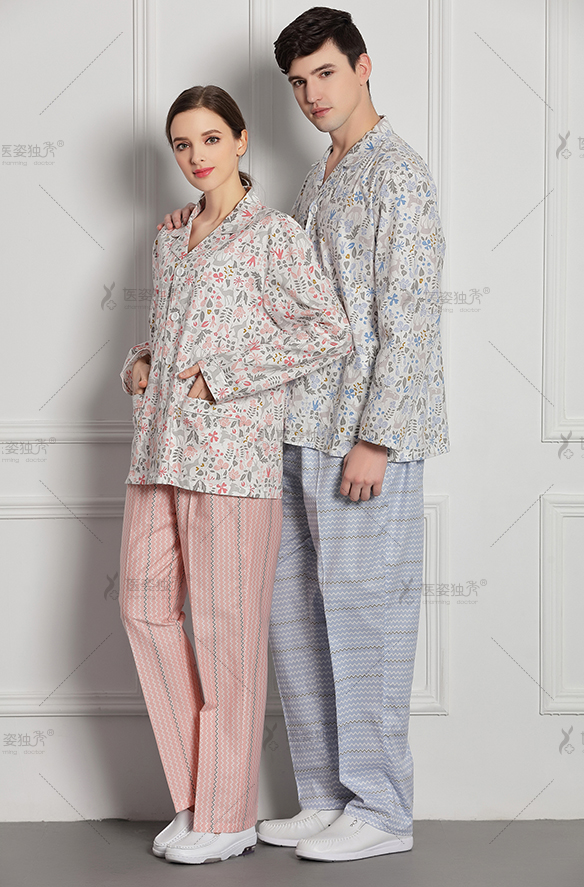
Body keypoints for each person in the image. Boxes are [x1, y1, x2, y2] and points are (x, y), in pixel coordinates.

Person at [161, 6, 449, 864]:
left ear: (363, 66)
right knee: (296, 620)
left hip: (361, 439)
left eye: (324, 73)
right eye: (296, 82)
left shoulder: (398, 175)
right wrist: (193, 233)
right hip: (292, 430)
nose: (311, 94)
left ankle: (382, 808)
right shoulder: (318, 179)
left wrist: (378, 438)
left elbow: (410, 318)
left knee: (365, 623)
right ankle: (325, 795)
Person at [119, 83, 352, 866]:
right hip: (157, 450)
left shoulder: (272, 235)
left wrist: (221, 377)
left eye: (210, 139)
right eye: (182, 144)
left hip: (230, 458)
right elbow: (170, 329)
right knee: (142, 605)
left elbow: (327, 329)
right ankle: (198, 796)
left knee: (226, 636)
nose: (196, 156)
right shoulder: (169, 236)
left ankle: (227, 815)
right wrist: (141, 361)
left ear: (241, 140)